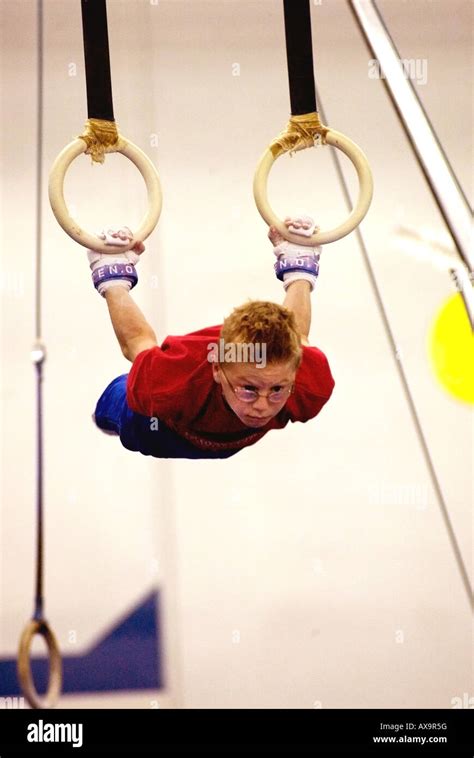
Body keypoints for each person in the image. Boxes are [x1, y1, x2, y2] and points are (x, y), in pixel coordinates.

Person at [89, 216, 335, 459]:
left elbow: (298, 335)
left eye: (278, 390)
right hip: (156, 431)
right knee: (110, 406)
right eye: (249, 389)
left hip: (232, 438)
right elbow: (137, 342)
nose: (262, 406)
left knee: (290, 342)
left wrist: (299, 268)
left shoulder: (310, 380)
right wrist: (113, 277)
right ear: (217, 369)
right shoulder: (170, 378)